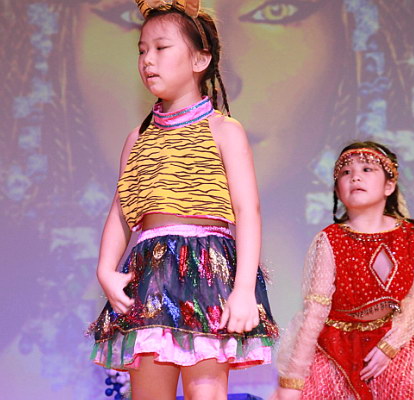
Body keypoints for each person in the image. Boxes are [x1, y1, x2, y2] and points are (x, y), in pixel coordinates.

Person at [87, 1, 278, 399]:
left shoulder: (224, 130)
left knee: (206, 392)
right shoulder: (137, 138)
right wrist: (105, 269)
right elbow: (122, 210)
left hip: (206, 271)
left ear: (200, 59)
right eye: (142, 50)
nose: (147, 60)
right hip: (150, 273)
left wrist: (244, 288)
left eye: (161, 48)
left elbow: (248, 211)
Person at [271, 142, 414, 400]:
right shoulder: (330, 239)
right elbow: (315, 310)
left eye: (367, 169)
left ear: (389, 186)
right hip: (334, 345)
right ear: (337, 189)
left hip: (390, 340)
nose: (355, 177)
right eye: (345, 172)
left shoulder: (412, 236)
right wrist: (294, 378)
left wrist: (390, 346)